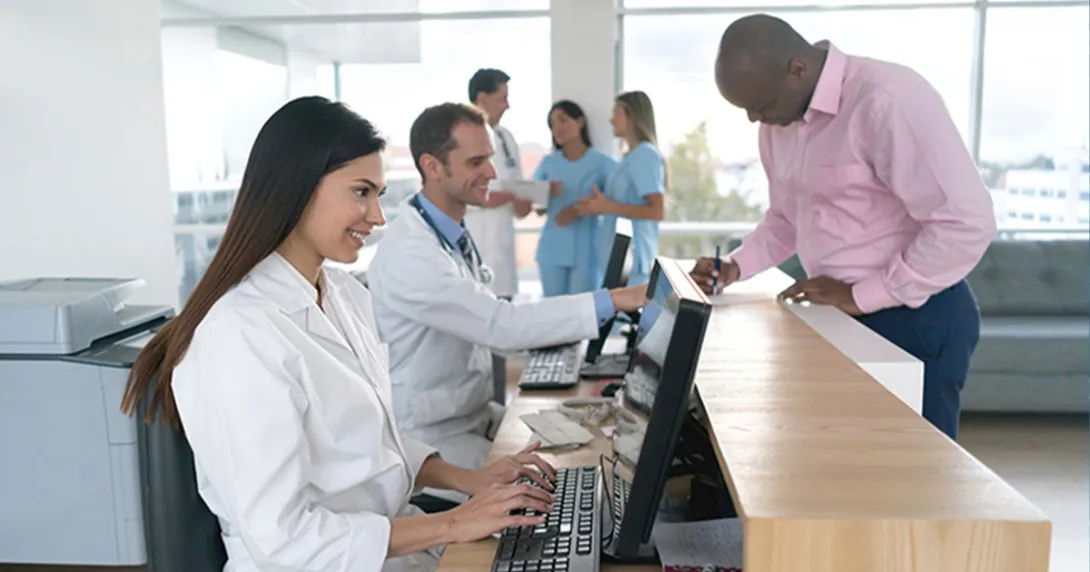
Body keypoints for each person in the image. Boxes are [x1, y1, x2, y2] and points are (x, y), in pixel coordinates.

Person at [118, 96, 559, 572]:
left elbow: (372, 443)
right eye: (361, 192)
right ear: (299, 187)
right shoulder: (238, 333)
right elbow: (285, 540)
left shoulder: (344, 294)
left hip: (393, 544)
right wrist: (454, 523)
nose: (378, 217)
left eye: (379, 194)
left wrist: (469, 480)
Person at [691, 14, 996, 440]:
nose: (753, 119)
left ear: (797, 69)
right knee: (845, 469)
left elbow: (966, 222)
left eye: (758, 105)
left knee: (914, 479)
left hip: (917, 315)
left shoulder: (887, 98)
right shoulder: (779, 120)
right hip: (840, 315)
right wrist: (736, 267)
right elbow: (786, 219)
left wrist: (861, 295)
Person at [366, 103, 647, 500]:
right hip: (432, 439)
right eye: (476, 161)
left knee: (584, 447)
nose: (493, 173)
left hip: (475, 416)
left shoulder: (449, 234)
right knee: (551, 491)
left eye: (490, 159)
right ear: (432, 166)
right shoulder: (410, 252)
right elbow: (502, 326)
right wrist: (616, 299)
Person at [574, 90, 666, 286]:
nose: (611, 120)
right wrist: (597, 205)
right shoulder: (629, 157)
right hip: (618, 260)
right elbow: (618, 204)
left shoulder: (645, 155)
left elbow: (656, 210)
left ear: (630, 115)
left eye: (615, 112)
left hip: (633, 262)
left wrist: (607, 207)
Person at [531, 100, 618, 296]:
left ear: (580, 122)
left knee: (583, 313)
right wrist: (545, 192)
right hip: (552, 248)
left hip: (587, 250)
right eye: (552, 125)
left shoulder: (602, 163)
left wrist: (580, 208)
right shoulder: (548, 163)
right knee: (553, 314)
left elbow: (616, 202)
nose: (557, 128)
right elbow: (537, 207)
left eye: (563, 120)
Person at [463, 68, 533, 299]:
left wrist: (522, 203)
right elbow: (464, 192)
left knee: (504, 305)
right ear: (482, 98)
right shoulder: (460, 136)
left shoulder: (506, 138)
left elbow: (517, 186)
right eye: (502, 98)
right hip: (477, 240)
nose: (507, 106)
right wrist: (506, 197)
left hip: (503, 246)